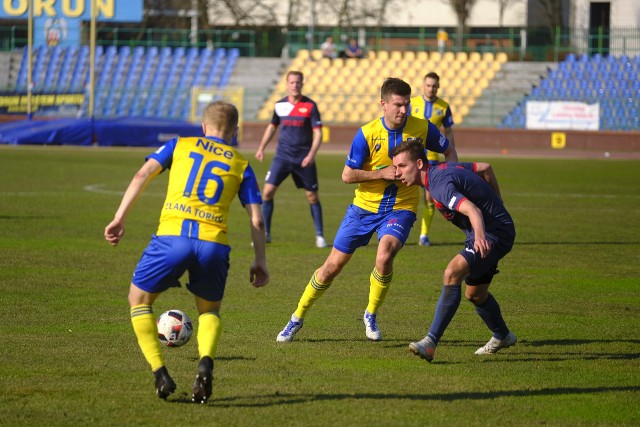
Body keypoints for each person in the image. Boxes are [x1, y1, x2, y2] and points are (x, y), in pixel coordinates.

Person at [104, 101, 269, 402]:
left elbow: (142, 175)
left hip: (172, 238)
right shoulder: (241, 164)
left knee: (138, 301)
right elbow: (257, 218)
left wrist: (119, 218)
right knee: (209, 311)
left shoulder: (178, 145)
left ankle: (160, 373)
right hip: (213, 243)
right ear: (234, 132)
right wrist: (260, 260)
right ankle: (205, 364)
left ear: (203, 127)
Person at [275, 78, 458, 343]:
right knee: (331, 267)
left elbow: (449, 150)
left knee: (385, 256)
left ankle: (370, 313)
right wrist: (380, 173)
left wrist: (446, 179)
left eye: (407, 104)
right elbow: (347, 175)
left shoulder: (422, 128)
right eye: (398, 105)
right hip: (363, 208)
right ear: (383, 104)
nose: (404, 110)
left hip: (401, 208)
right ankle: (296, 318)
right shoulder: (367, 133)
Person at [390, 139, 516, 362]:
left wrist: (479, 236)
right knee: (475, 295)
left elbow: (472, 210)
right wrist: (499, 203)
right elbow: (486, 168)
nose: (397, 172)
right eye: (395, 167)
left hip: (494, 234)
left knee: (452, 273)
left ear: (419, 164)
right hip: (492, 229)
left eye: (402, 166)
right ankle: (503, 335)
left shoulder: (439, 185)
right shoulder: (441, 168)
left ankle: (430, 343)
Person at [255, 70, 328, 248]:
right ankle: (265, 233)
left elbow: (318, 134)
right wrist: (261, 148)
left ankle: (319, 236)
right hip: (282, 157)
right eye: (292, 82)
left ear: (302, 84)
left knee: (312, 196)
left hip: (304, 159)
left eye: (298, 82)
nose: (295, 85)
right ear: (286, 84)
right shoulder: (279, 105)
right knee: (267, 193)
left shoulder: (311, 106)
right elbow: (272, 127)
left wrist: (311, 155)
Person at [410, 71, 456, 247]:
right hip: (412, 158)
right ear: (423, 85)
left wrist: (452, 152)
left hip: (432, 159)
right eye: (428, 85)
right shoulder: (412, 103)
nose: (431, 89)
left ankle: (423, 235)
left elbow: (449, 131)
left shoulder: (444, 106)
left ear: (438, 87)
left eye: (434, 86)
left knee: (429, 199)